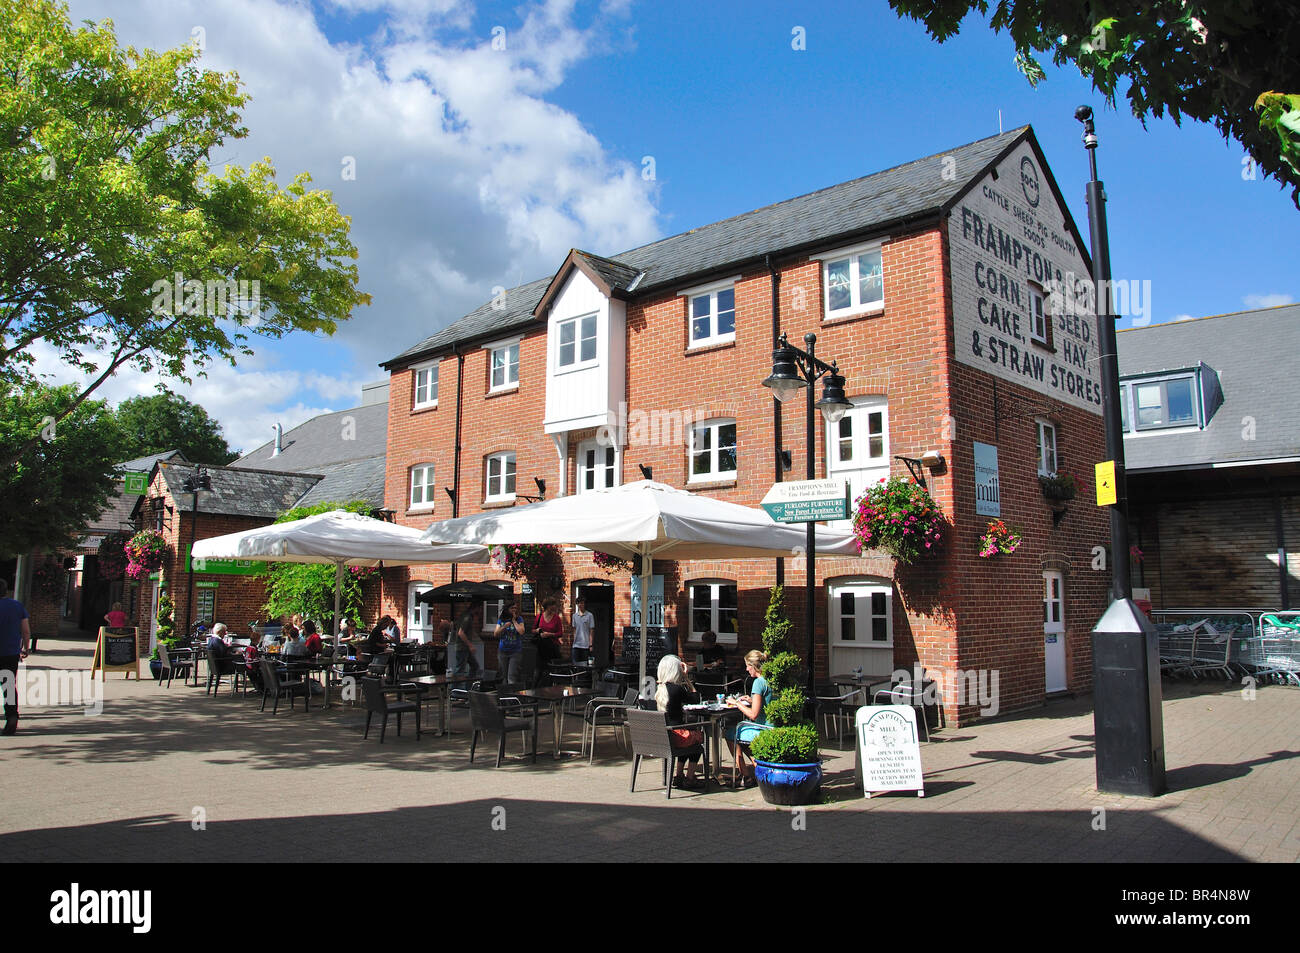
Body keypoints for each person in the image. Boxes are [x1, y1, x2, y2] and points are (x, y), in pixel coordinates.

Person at [723, 650, 773, 787]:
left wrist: (737, 703)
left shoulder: (758, 682)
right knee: (740, 735)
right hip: (773, 725)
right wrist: (751, 700)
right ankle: (755, 768)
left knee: (729, 734)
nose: (746, 669)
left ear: (754, 666)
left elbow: (753, 715)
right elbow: (766, 702)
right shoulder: (770, 679)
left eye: (747, 666)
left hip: (764, 728)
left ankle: (746, 774)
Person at [655, 655, 704, 790]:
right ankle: (689, 778)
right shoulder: (676, 689)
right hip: (676, 738)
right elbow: (696, 698)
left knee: (689, 735)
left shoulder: (656, 689)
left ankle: (679, 775)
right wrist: (687, 678)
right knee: (699, 737)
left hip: (661, 737)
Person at [0, 579, 31, 736]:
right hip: (10, 652)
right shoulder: (17, 606)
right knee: (8, 685)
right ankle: (12, 716)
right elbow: (25, 630)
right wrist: (26, 647)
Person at [494, 602, 525, 684]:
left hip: (515, 651)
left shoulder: (519, 619)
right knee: (503, 676)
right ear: (507, 609)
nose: (514, 610)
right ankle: (503, 694)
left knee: (512, 676)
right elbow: (496, 633)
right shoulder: (502, 619)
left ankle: (511, 694)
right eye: (512, 608)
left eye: (515, 608)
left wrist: (514, 621)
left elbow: (521, 631)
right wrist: (504, 627)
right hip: (503, 651)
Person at [534, 598, 564, 679]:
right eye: (553, 605)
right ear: (548, 606)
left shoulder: (556, 618)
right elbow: (533, 630)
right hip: (541, 647)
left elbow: (560, 633)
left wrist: (550, 634)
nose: (554, 607)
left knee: (551, 670)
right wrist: (537, 631)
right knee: (538, 670)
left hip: (552, 647)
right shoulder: (539, 617)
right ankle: (536, 688)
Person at [449, 606, 479, 676]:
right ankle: (454, 686)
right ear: (476, 607)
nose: (480, 611)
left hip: (465, 648)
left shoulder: (465, 615)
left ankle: (469, 685)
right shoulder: (467, 618)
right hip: (462, 647)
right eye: (479, 608)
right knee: (460, 669)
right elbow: (461, 633)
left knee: (474, 666)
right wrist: (470, 645)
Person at [571, 597, 594, 665]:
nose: (580, 605)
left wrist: (591, 645)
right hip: (576, 646)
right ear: (577, 604)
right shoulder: (574, 616)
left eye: (582, 603)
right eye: (579, 603)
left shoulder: (590, 615)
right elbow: (574, 630)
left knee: (586, 666)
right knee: (575, 665)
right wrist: (573, 641)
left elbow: (591, 631)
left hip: (585, 646)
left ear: (584, 604)